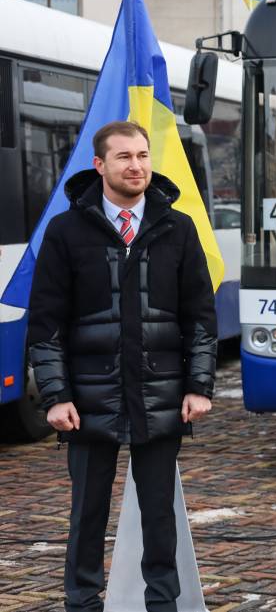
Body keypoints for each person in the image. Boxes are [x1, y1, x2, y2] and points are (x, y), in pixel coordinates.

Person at [28, 121, 217, 612]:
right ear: (100, 165)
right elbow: (46, 323)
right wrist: (55, 395)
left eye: (142, 155)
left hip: (160, 394)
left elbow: (200, 317)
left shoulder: (178, 227)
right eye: (123, 157)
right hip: (86, 402)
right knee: (87, 514)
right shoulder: (66, 231)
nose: (136, 166)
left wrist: (199, 385)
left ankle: (163, 604)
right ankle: (82, 603)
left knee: (160, 516)